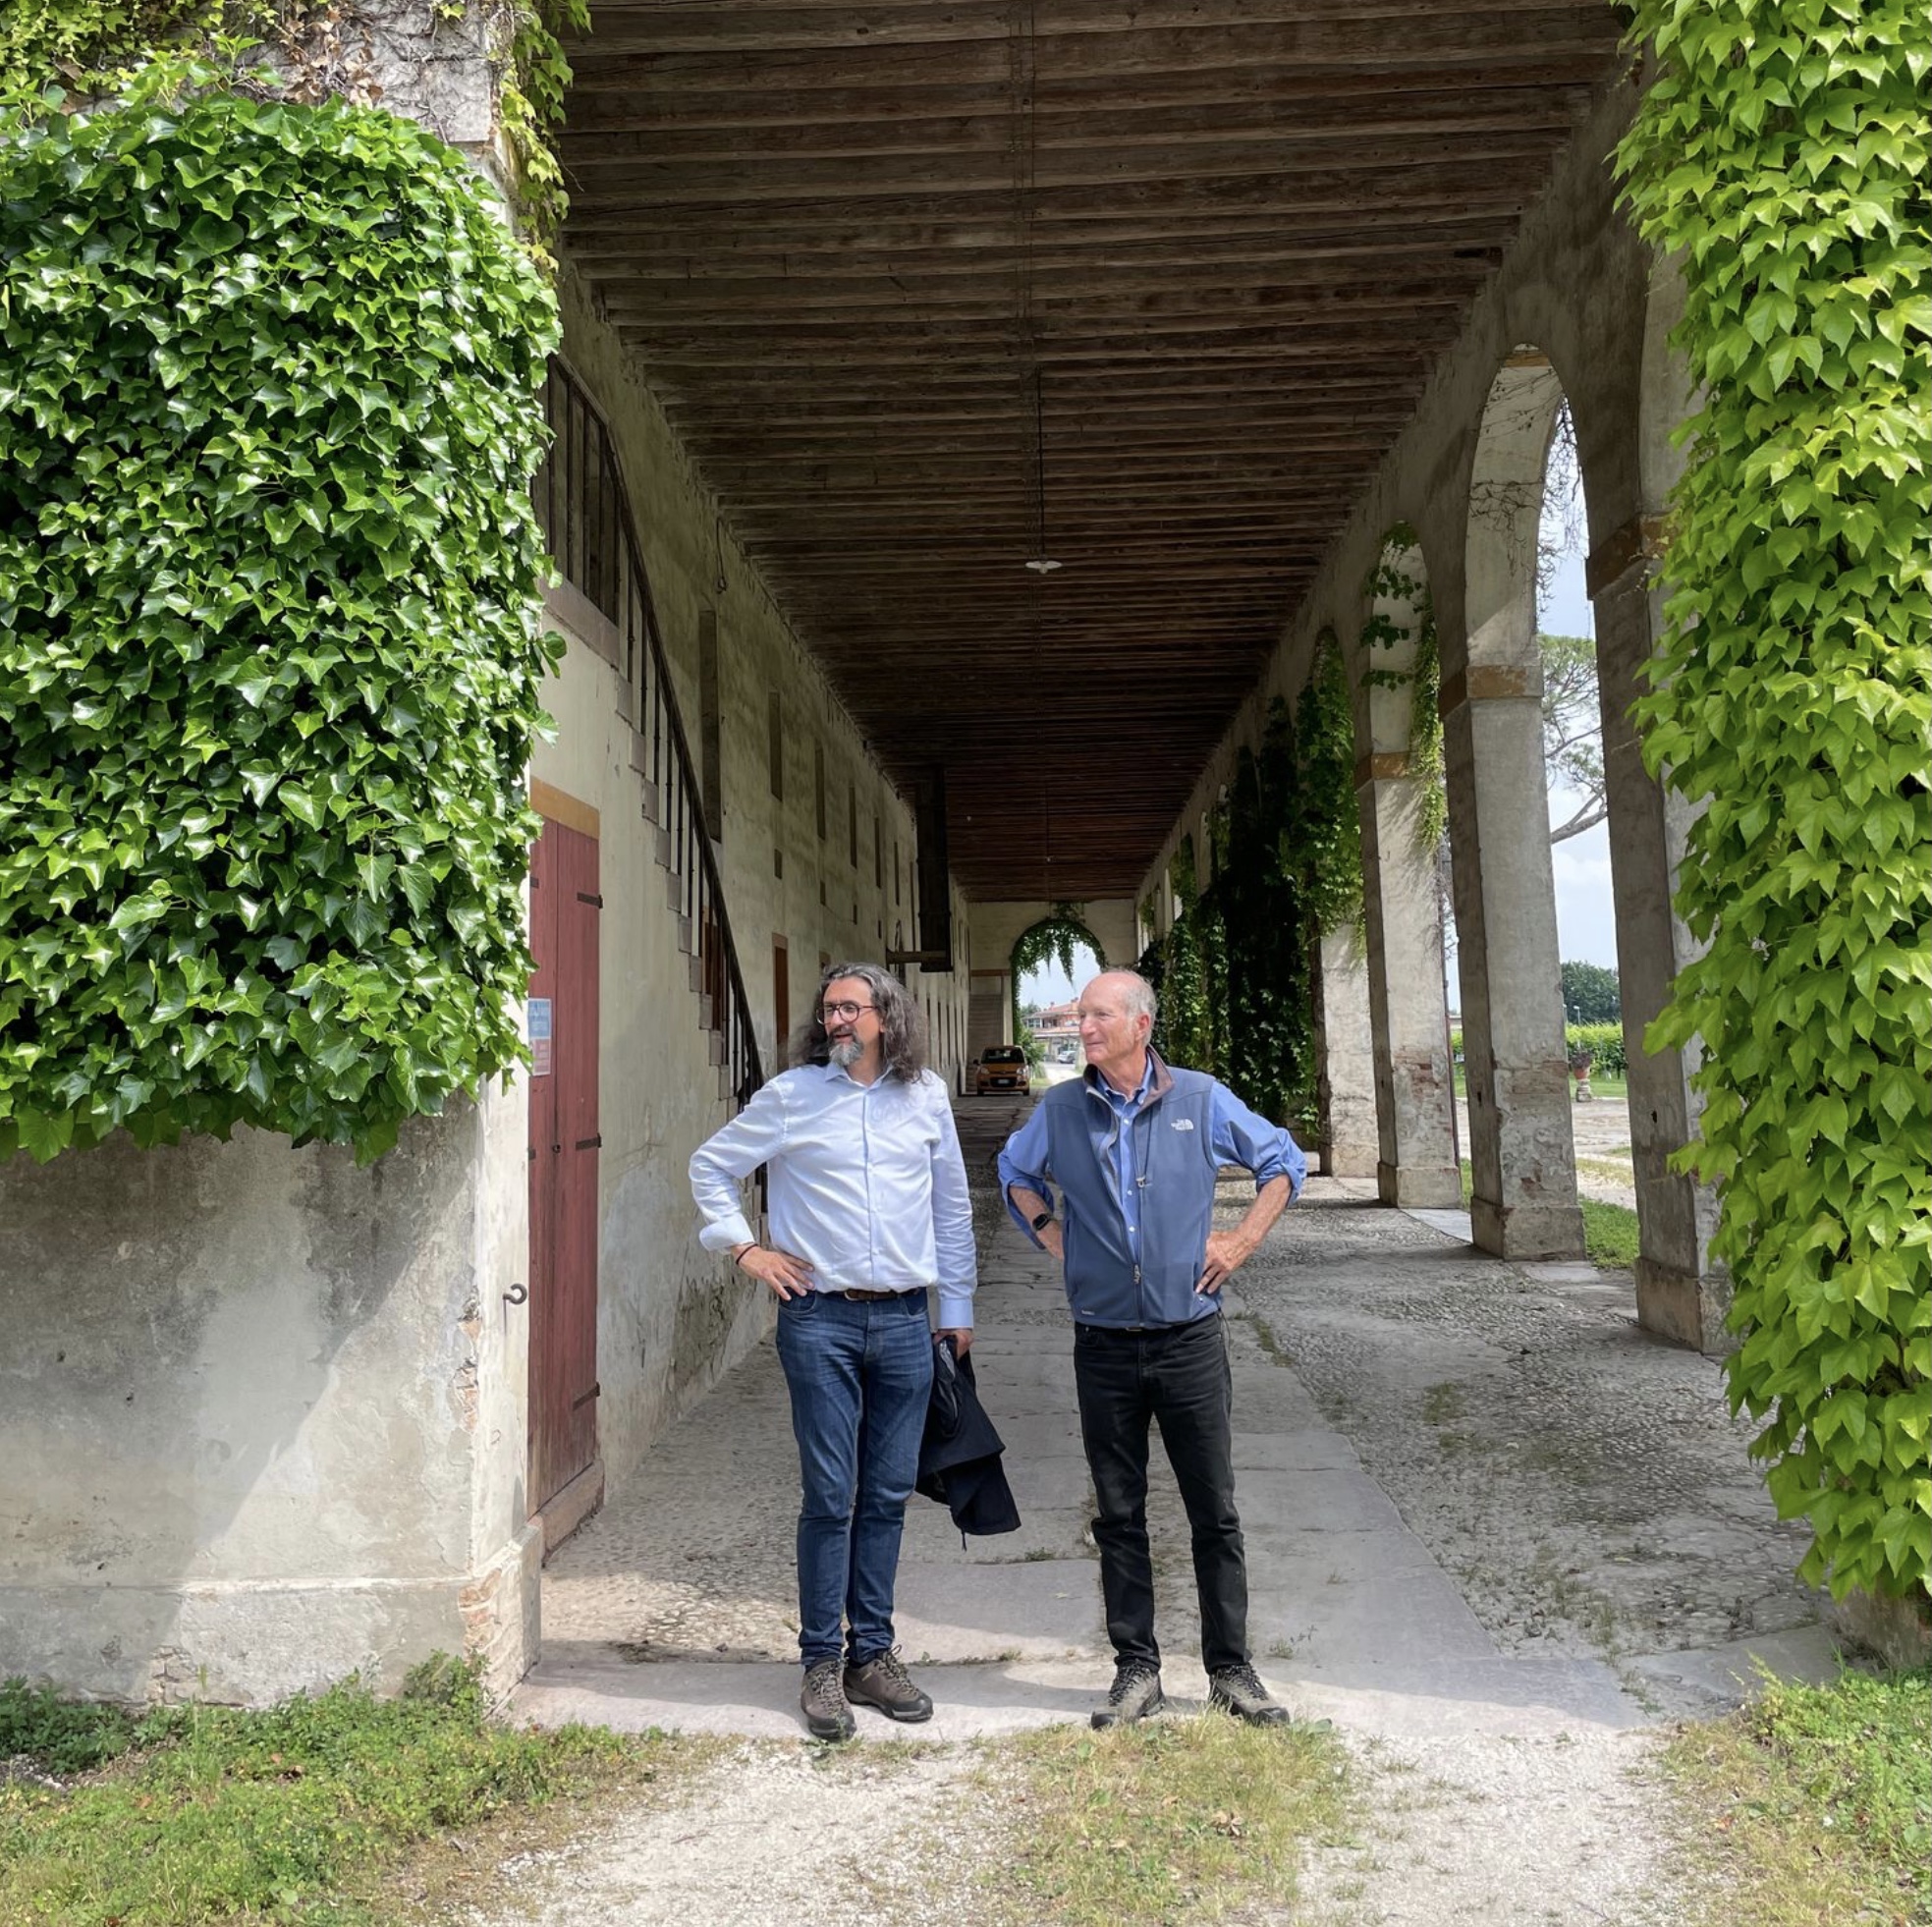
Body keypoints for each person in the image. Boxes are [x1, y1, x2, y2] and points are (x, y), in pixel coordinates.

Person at [998, 969, 1305, 1731]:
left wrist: (1239, 1241)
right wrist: (1052, 1236)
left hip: (1188, 1339)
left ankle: (1230, 1671)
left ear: (1140, 1025)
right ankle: (1135, 1670)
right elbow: (1014, 1172)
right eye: (1080, 1016)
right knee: (1118, 1512)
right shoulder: (1061, 1108)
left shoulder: (1199, 1099)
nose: (1083, 1027)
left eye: (1098, 1015)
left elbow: (1282, 1162)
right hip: (1102, 1343)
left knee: (1214, 1511)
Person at [690, 962, 975, 1741]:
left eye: (851, 1007)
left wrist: (956, 1307)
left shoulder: (925, 1096)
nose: (837, 1021)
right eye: (828, 1011)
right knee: (828, 1494)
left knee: (886, 1494)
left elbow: (951, 1206)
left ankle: (871, 1656)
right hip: (820, 1322)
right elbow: (710, 1166)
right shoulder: (791, 1096)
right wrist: (746, 1249)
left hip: (906, 1321)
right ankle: (820, 1661)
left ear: (888, 1015)